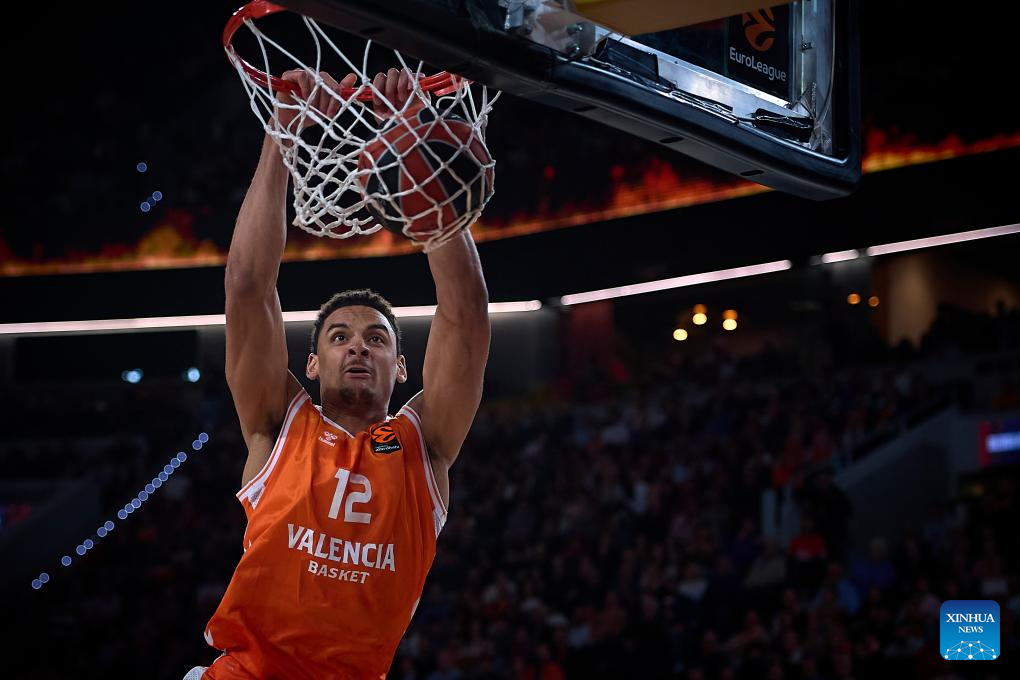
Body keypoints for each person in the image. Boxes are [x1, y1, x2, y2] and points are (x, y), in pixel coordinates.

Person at [188, 68, 491, 679]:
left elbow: (466, 313)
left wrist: (411, 147)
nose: (358, 348)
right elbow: (247, 286)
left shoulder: (425, 445)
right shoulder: (277, 425)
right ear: (311, 363)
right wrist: (282, 131)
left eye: (377, 339)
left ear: (400, 368)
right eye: (339, 337)